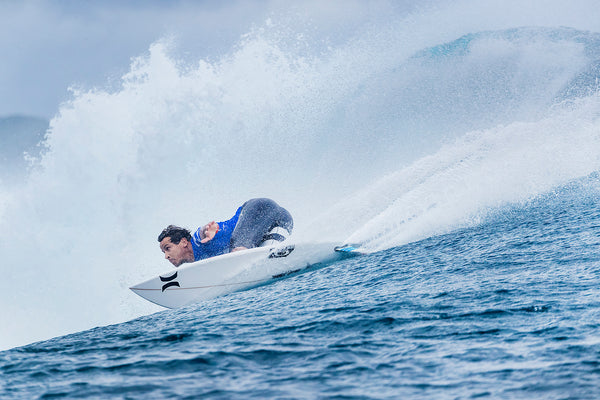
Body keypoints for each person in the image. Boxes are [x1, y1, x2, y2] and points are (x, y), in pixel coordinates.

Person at [158, 198, 293, 267]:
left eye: (168, 248)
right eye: (164, 252)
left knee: (238, 252)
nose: (166, 256)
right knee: (266, 260)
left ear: (183, 242)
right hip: (282, 220)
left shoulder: (197, 242)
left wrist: (206, 230)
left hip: (258, 207)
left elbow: (203, 231)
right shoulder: (199, 264)